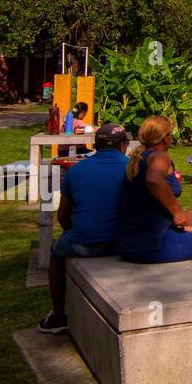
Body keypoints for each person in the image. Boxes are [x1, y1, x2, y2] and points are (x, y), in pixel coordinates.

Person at [38, 122, 132, 334]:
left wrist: (76, 232)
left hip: (84, 243)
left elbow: (62, 215)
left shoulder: (76, 170)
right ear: (123, 145)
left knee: (56, 253)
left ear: (95, 146)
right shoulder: (133, 167)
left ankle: (58, 314)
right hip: (125, 243)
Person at [116, 116, 192, 277]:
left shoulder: (136, 160)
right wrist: (177, 213)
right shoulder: (159, 156)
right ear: (164, 138)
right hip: (151, 243)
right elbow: (153, 180)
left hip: (128, 243)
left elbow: (147, 204)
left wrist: (178, 226)